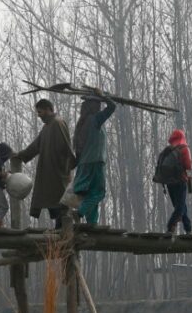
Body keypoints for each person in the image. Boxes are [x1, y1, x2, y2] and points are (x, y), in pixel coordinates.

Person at [12, 99, 76, 229]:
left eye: (40, 112)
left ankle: (62, 234)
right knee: (52, 202)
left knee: (61, 203)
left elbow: (66, 148)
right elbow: (36, 146)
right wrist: (21, 155)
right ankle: (58, 233)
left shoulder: (58, 123)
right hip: (48, 173)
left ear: (48, 109)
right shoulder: (47, 126)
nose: (39, 115)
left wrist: (68, 168)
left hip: (58, 173)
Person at [72, 90, 116, 225]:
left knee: (90, 193)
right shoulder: (95, 119)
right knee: (99, 192)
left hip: (84, 164)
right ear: (94, 106)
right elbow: (112, 107)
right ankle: (79, 212)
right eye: (98, 104)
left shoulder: (82, 124)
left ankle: (92, 222)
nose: (99, 107)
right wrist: (104, 96)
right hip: (95, 162)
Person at [157, 129, 192, 234]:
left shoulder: (167, 150)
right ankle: (170, 226)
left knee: (180, 205)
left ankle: (188, 228)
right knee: (180, 206)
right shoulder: (184, 148)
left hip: (169, 183)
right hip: (180, 181)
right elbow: (188, 166)